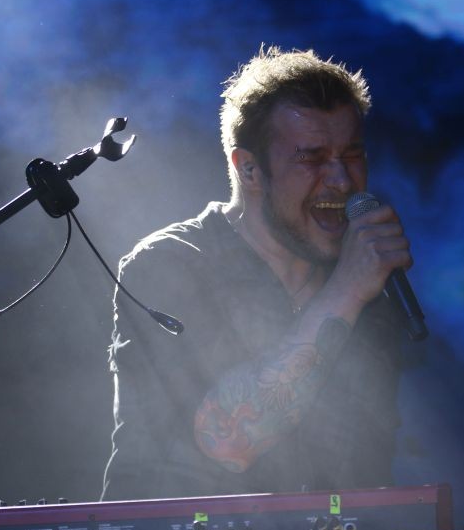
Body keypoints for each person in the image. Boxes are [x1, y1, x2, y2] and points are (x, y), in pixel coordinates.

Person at [101, 46, 414, 501]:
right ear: (249, 169)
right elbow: (226, 442)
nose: (342, 181)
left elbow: (368, 471)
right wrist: (344, 293)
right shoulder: (170, 265)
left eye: (352, 155)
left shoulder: (366, 290)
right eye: (311, 158)